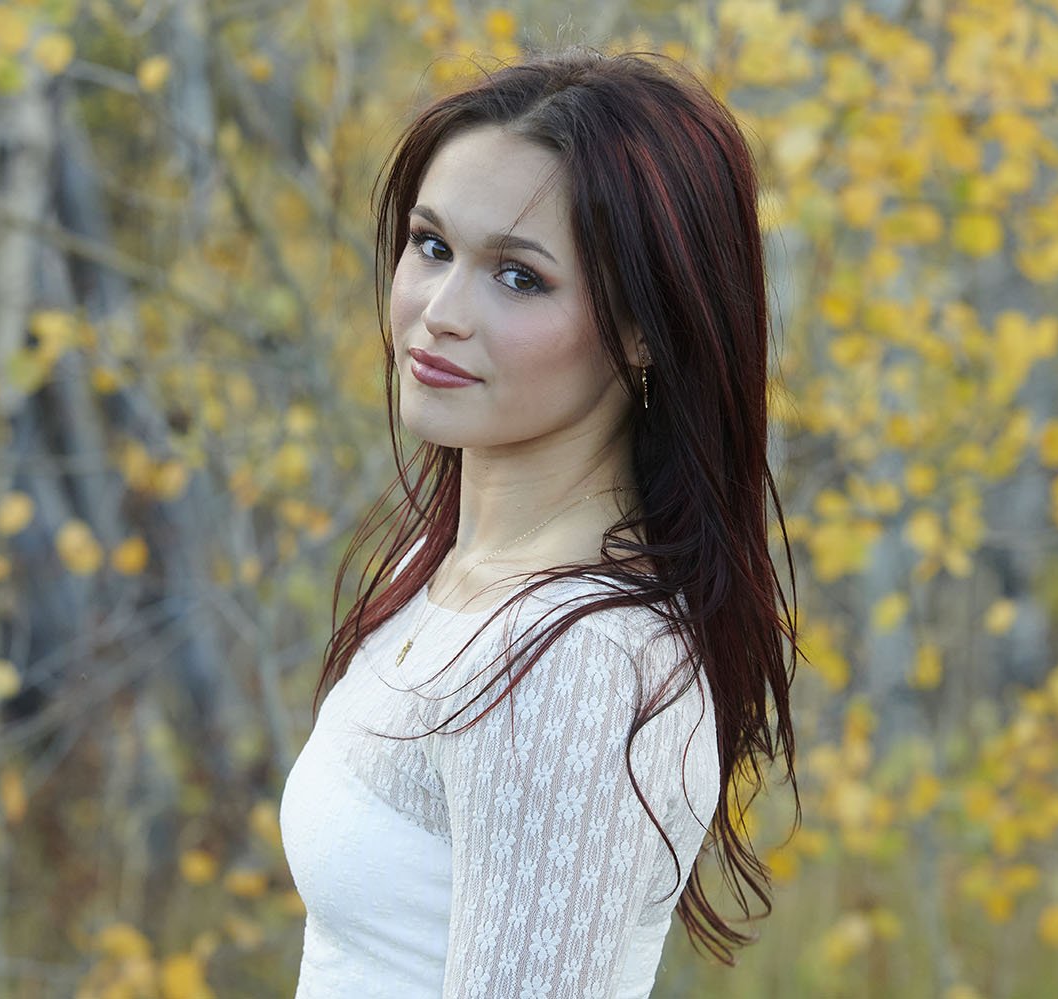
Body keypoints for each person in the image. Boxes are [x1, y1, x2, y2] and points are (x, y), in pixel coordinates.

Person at [279, 46, 800, 999]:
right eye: (432, 246)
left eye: (518, 277)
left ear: (645, 326)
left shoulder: (570, 668)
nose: (438, 312)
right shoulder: (454, 570)